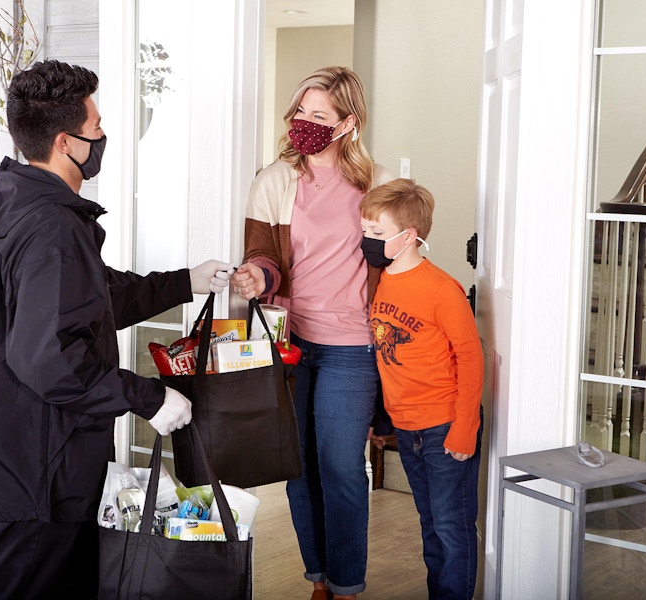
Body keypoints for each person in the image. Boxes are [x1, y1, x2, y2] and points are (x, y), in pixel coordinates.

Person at [0, 59, 235, 599]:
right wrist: (147, 396)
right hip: (41, 470)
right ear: (66, 142)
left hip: (43, 457)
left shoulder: (39, 211)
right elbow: (52, 359)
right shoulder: (52, 229)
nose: (105, 134)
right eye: (97, 127)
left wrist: (187, 281)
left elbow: (95, 300)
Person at [232, 66, 394, 600]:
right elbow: (263, 254)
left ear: (348, 124)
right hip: (292, 343)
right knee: (298, 467)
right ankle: (318, 578)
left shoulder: (374, 187)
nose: (303, 122)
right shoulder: (274, 180)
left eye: (319, 115)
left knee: (342, 468)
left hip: (352, 347)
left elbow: (396, 261)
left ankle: (347, 585)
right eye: (300, 110)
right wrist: (258, 273)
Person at [360, 178, 484, 600]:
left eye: (377, 233)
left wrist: (464, 429)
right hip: (408, 428)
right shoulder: (380, 283)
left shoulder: (441, 289)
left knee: (452, 528)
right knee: (431, 526)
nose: (366, 240)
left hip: (445, 428)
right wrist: (380, 418)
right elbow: (383, 356)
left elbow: (470, 358)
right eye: (365, 230)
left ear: (408, 237)